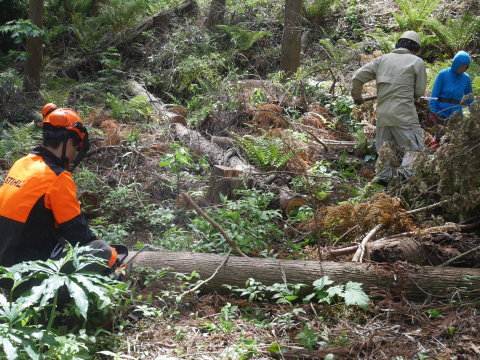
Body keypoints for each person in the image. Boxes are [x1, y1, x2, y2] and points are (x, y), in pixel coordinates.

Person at [0, 104, 120, 272]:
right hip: (25, 275)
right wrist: (109, 254)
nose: (76, 152)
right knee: (103, 251)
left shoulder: (22, 163)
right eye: (77, 145)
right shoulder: (57, 177)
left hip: (5, 264)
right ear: (68, 142)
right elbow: (78, 235)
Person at [351, 31, 427, 186]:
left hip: (384, 116)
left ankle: (381, 185)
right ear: (415, 48)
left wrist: (357, 98)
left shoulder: (382, 60)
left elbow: (357, 77)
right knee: (415, 148)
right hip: (404, 115)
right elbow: (419, 92)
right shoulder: (416, 62)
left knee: (385, 152)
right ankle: (403, 178)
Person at [430, 50, 474, 120]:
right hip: (440, 111)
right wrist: (433, 111)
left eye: (465, 67)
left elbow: (470, 98)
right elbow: (434, 95)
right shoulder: (443, 74)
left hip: (456, 113)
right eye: (461, 66)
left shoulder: (466, 78)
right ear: (456, 64)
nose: (463, 69)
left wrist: (474, 112)